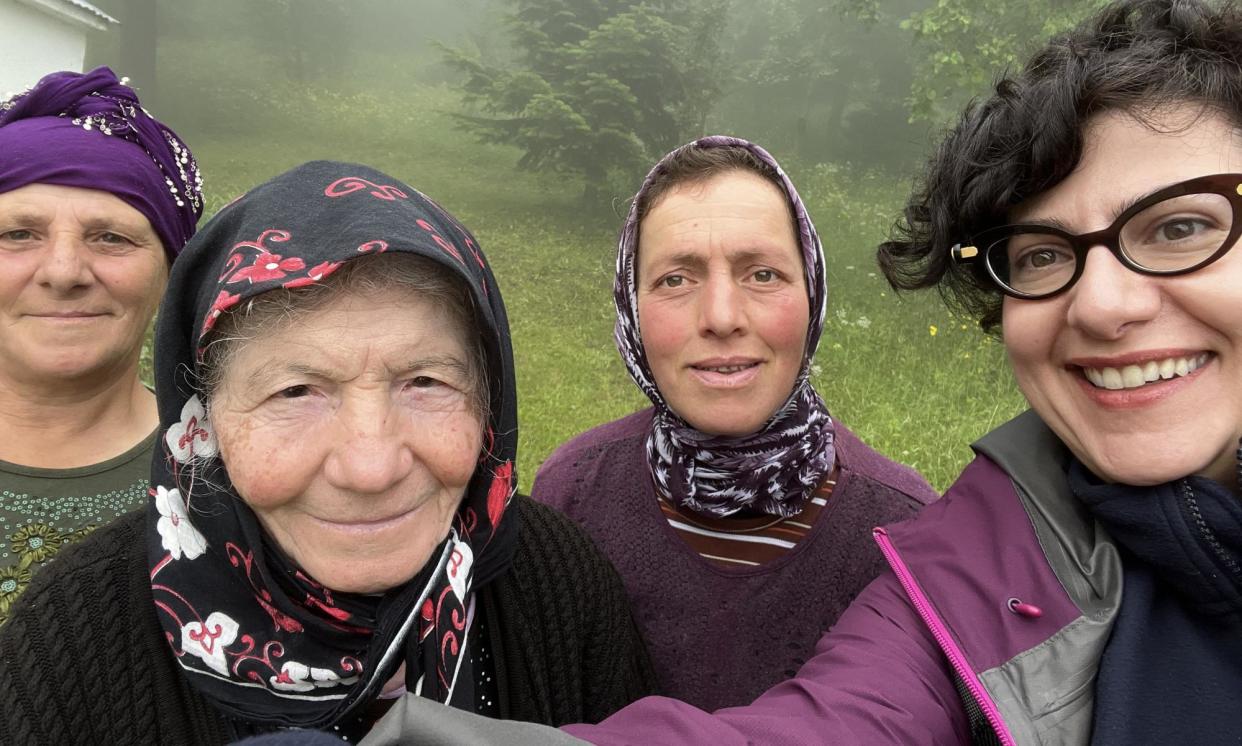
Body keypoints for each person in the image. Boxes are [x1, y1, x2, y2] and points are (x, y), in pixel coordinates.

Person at [355, 0, 1242, 743]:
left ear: (813, 300)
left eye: (1181, 226)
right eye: (1045, 254)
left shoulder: (896, 521)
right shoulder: (974, 560)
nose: (1104, 305)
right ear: (629, 311)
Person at [0, 161, 654, 743]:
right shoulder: (68, 644)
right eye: (295, 391)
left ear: (488, 402)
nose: (370, 468)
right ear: (205, 421)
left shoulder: (562, 586)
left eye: (425, 382)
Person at [532, 136, 937, 709]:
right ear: (631, 307)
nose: (721, 317)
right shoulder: (570, 497)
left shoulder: (904, 531)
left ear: (812, 292)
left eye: (762, 274)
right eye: (676, 279)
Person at [0, 67, 203, 625]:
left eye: (111, 237)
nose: (64, 272)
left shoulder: (222, 479)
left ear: (170, 272)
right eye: (18, 234)